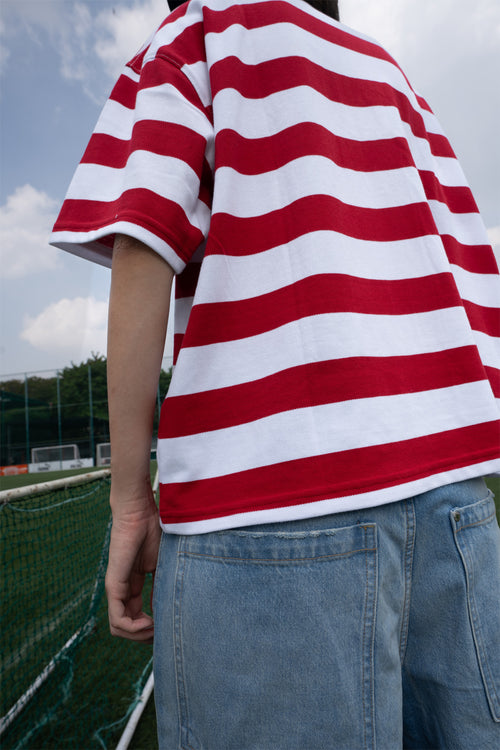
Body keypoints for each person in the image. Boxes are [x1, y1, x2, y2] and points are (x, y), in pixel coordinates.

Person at [51, 0, 500, 747]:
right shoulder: (392, 78)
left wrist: (130, 499)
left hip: (264, 512)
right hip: (455, 509)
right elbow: (473, 272)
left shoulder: (197, 36)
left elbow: (145, 241)